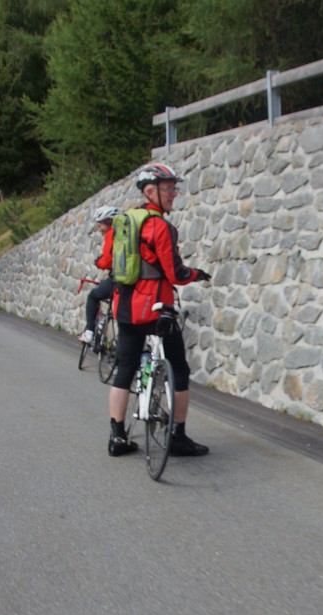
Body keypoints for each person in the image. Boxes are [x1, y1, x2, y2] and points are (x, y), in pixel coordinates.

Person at [107, 162, 212, 457]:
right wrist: (197, 274)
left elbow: (108, 261)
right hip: (155, 310)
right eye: (168, 189)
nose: (173, 194)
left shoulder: (125, 221)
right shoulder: (160, 227)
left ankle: (116, 438)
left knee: (125, 369)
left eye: (174, 188)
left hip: (125, 307)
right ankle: (177, 436)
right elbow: (175, 272)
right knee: (179, 370)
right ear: (150, 191)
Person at [78, 205, 120, 345]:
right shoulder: (124, 233)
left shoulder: (111, 234)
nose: (99, 228)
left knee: (93, 296)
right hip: (131, 279)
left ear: (108, 221)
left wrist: (98, 263)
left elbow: (107, 261)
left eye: (100, 224)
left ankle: (89, 331)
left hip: (117, 279)